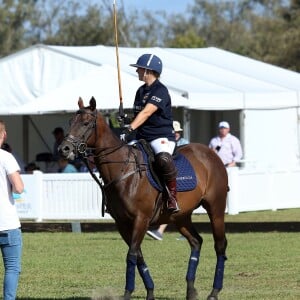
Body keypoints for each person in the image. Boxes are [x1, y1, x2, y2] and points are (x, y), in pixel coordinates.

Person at [122, 53, 179, 213]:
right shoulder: (140, 91)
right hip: (142, 137)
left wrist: (129, 129)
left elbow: (147, 112)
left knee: (163, 158)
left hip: (160, 136)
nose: (137, 72)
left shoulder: (160, 91)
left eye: (139, 69)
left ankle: (172, 198)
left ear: (148, 70)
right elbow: (139, 115)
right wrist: (126, 119)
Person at [146, 120, 189, 240]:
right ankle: (162, 231)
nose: (176, 134)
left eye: (177, 132)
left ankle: (160, 231)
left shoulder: (184, 142)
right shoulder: (164, 141)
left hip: (180, 171)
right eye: (174, 131)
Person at [0, 120, 24, 299]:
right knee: (12, 268)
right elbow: (18, 187)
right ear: (3, 135)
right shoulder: (6, 157)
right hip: (6, 222)